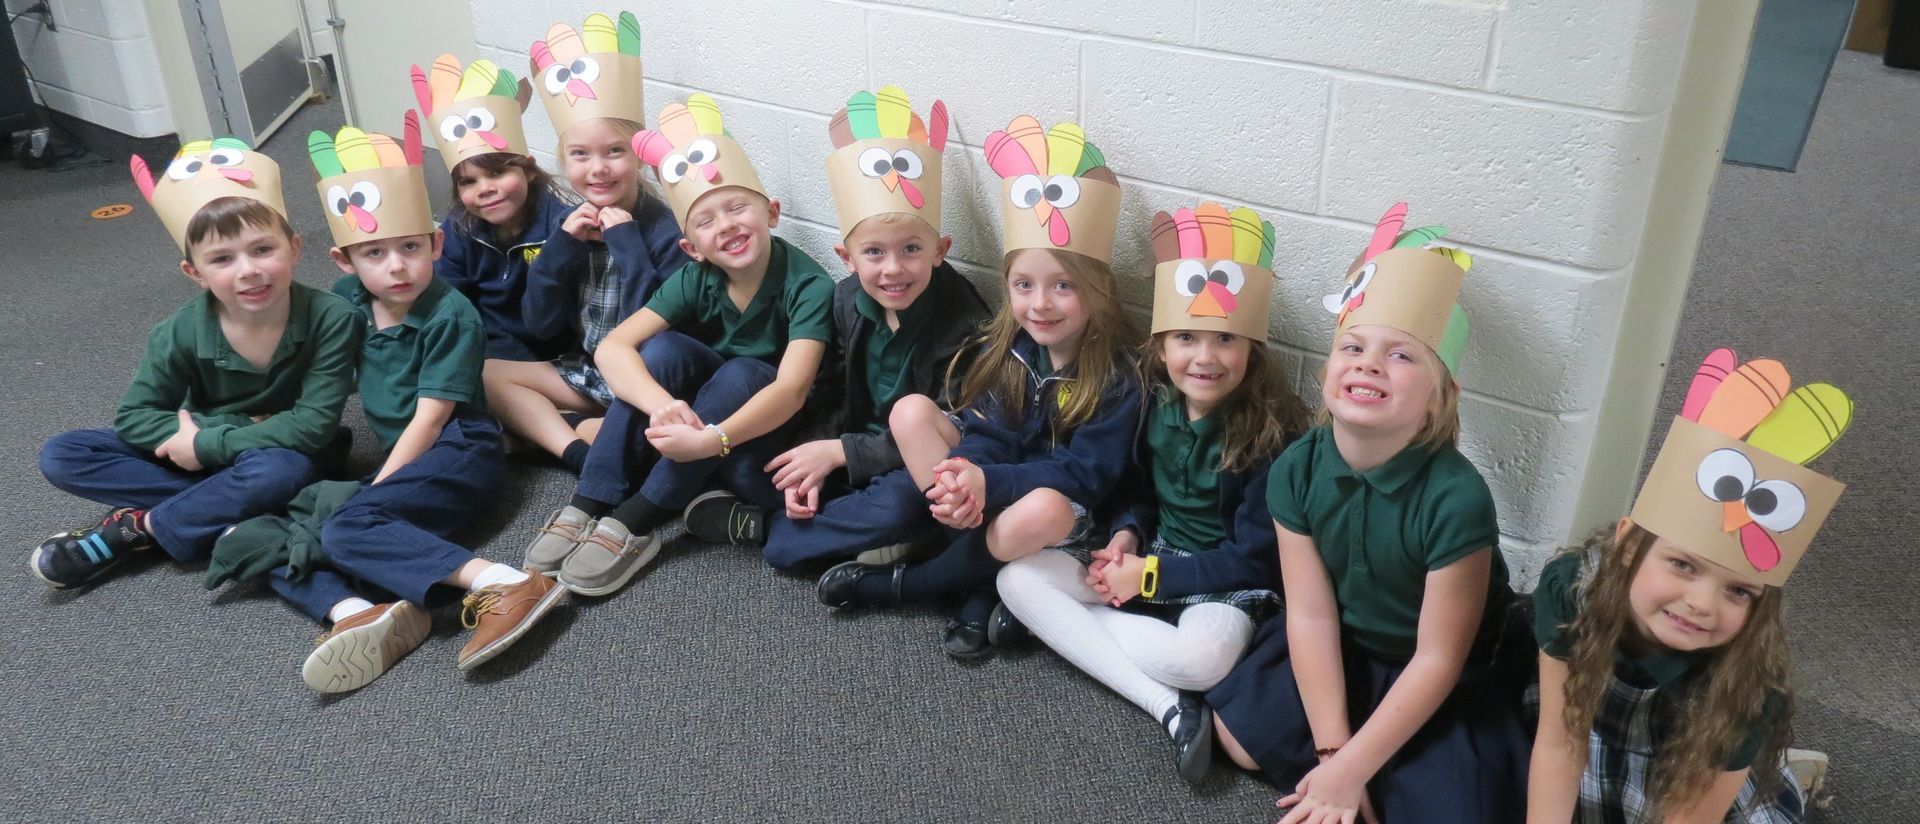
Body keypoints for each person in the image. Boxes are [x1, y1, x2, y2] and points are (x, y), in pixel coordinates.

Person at [1206, 204, 1528, 822]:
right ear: (1329, 370)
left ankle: (1379, 769)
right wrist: (1334, 755)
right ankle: (1356, 766)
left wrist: (1350, 770)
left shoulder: (1456, 498)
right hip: (1348, 643)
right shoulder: (1297, 468)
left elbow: (1439, 658)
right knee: (1236, 740)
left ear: (1441, 398)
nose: (1369, 364)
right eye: (1352, 346)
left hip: (1437, 671)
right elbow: (1309, 612)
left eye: (1402, 356)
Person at [996, 203, 1307, 784]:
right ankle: (1166, 706)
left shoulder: (1273, 436)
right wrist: (1126, 534)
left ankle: (1079, 636)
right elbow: (1138, 491)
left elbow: (1258, 557)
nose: (1205, 358)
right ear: (1162, 346)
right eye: (1187, 337)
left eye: (1226, 339)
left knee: (1202, 660)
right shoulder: (1152, 402)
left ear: (1252, 351)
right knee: (1016, 579)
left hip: (1226, 585)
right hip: (1151, 554)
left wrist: (1146, 579)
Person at [814, 115, 1143, 659]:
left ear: (1099, 292)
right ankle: (981, 575)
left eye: (1063, 286)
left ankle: (922, 585)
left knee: (1043, 509)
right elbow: (990, 429)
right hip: (995, 498)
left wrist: (990, 484)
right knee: (911, 413)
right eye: (1024, 285)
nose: (1040, 303)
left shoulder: (1117, 376)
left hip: (1068, 518)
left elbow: (1085, 476)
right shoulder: (1009, 349)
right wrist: (962, 476)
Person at [259, 119, 566, 692]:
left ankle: (503, 582)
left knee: (347, 528)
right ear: (345, 261)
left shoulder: (451, 314)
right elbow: (317, 368)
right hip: (403, 455)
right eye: (374, 253)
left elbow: (431, 418)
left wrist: (375, 491)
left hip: (459, 450)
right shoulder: (348, 298)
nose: (396, 266)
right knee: (284, 528)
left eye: (409, 248)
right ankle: (357, 612)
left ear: (436, 244)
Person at [523, 93, 833, 598]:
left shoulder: (808, 284)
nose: (727, 226)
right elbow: (614, 349)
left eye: (737, 208)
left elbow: (793, 389)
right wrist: (662, 407)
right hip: (698, 407)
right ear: (691, 247)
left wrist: (713, 441)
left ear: (771, 212)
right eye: (706, 221)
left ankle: (638, 518)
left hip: (762, 418)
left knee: (746, 372)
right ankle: (587, 501)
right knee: (662, 351)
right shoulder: (696, 276)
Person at [1528, 345, 1846, 822]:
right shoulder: (1571, 592)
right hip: (1591, 743)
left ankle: (1775, 774)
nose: (1702, 604)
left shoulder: (1748, 691)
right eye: (1682, 565)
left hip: (1691, 782)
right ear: (1629, 545)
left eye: (1739, 590)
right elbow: (1559, 743)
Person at [677, 87, 991, 568]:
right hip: (847, 444)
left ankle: (768, 529)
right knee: (750, 463)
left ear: (940, 250)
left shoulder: (964, 321)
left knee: (906, 504)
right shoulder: (846, 299)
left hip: (903, 461)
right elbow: (828, 389)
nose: (893, 270)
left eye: (911, 249)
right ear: (846, 258)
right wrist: (813, 457)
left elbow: (954, 432)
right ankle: (843, 528)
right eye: (873, 253)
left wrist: (842, 454)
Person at [33, 140, 356, 589]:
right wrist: (216, 433)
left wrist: (206, 445)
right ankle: (223, 507)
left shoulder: (332, 316)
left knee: (282, 472)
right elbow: (134, 417)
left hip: (280, 453)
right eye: (222, 259)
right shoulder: (178, 330)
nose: (248, 270)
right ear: (194, 273)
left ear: (294, 248)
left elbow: (314, 427)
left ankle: (141, 529)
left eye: (263, 249)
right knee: (64, 453)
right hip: (204, 443)